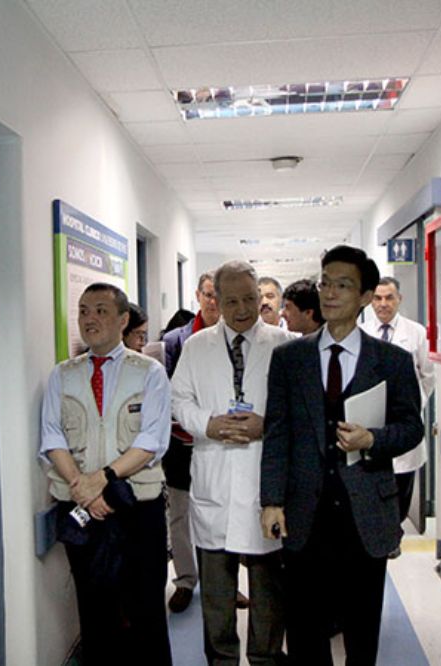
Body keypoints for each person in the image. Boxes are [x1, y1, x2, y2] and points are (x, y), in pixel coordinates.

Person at [261, 245, 423, 666]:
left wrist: (373, 439)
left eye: (343, 285)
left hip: (364, 511)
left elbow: (412, 427)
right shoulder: (290, 358)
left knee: (361, 630)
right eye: (325, 283)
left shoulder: (392, 361)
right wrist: (271, 500)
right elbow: (277, 433)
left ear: (366, 296)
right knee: (305, 629)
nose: (330, 293)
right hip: (304, 511)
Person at [39, 283, 173, 666]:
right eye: (83, 311)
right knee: (94, 609)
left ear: (123, 319)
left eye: (100, 310)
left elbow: (152, 440)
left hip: (137, 508)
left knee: (146, 608)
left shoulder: (149, 372)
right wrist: (82, 488)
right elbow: (52, 436)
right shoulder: (62, 375)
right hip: (80, 509)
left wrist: (101, 479)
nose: (90, 319)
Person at [172, 260, 294, 666]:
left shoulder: (285, 344)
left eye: (249, 299)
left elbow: (301, 409)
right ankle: (221, 660)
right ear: (215, 301)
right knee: (216, 595)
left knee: (268, 590)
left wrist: (267, 425)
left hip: (266, 483)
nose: (242, 309)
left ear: (261, 298)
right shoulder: (196, 346)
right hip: (215, 479)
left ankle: (265, 658)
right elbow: (178, 399)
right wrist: (207, 424)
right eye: (231, 301)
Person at [360, 277, 434, 548]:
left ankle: (393, 539)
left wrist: (411, 407)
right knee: (373, 492)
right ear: (370, 301)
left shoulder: (416, 333)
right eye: (378, 298)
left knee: (401, 492)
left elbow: (428, 376)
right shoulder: (361, 332)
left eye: (389, 298)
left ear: (399, 299)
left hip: (403, 427)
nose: (383, 304)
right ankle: (380, 540)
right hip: (370, 428)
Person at [161, 274, 219, 613]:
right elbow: (168, 393)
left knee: (216, 513)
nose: (213, 302)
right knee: (180, 515)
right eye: (208, 294)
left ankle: (219, 582)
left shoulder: (230, 339)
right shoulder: (174, 341)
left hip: (218, 443)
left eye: (218, 295)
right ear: (198, 295)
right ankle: (185, 580)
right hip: (180, 445)